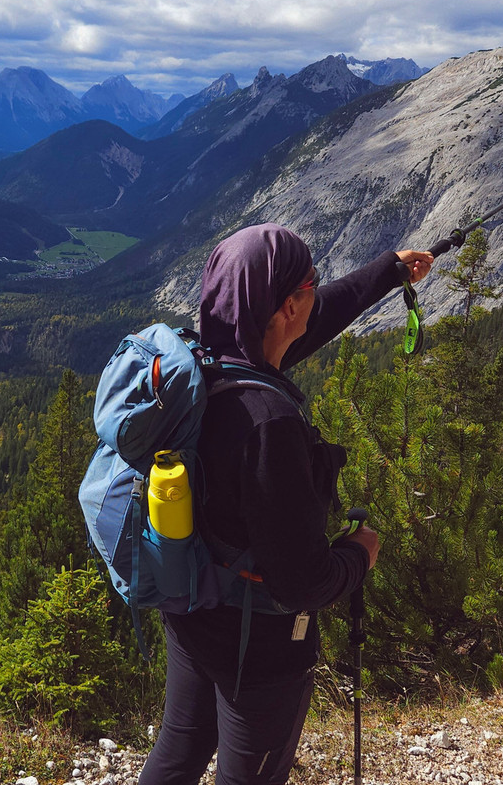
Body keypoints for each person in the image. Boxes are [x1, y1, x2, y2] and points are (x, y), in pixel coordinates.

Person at [137, 224, 433, 785]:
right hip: (261, 646)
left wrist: (389, 270)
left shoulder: (205, 365)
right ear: (289, 307)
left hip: (192, 609)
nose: (316, 296)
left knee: (177, 754)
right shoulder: (268, 425)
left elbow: (316, 320)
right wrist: (359, 554)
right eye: (310, 285)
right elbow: (301, 582)